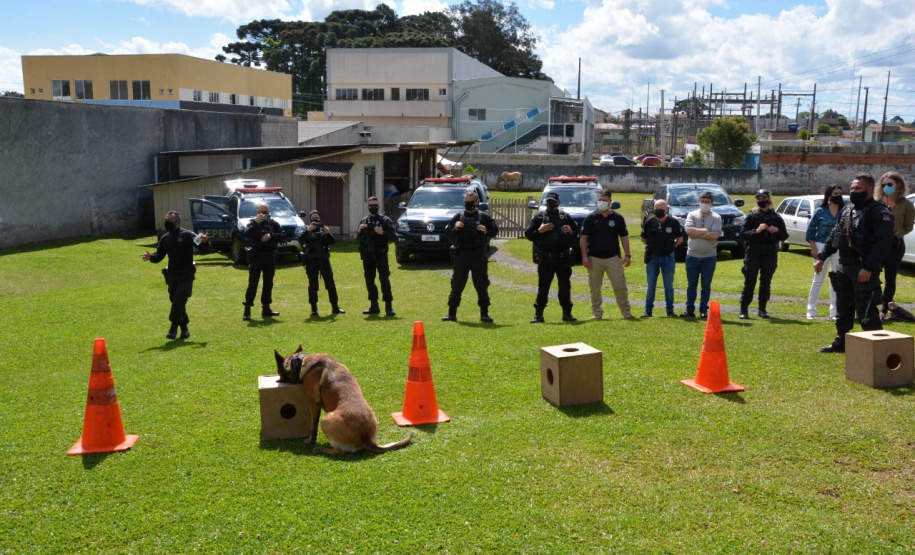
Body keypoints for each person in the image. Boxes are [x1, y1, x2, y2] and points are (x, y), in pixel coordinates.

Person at [816, 174, 895, 353]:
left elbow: (883, 244)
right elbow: (835, 235)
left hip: (864, 268)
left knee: (866, 311)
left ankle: (878, 348)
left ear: (869, 190)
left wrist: (868, 267)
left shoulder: (880, 212)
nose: (853, 192)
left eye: (857, 189)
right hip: (844, 267)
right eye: (851, 189)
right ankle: (841, 341)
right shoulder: (847, 210)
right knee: (843, 307)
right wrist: (822, 256)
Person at [141, 211, 210, 339]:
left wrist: (205, 242)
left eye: (169, 220)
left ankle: (173, 328)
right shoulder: (165, 238)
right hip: (172, 275)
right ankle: (184, 329)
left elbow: (204, 248)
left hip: (186, 275)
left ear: (177, 222)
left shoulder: (188, 235)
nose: (166, 222)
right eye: (165, 219)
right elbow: (159, 256)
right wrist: (150, 257)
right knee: (177, 302)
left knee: (178, 300)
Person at [442, 191, 498, 323]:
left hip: (478, 255)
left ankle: (484, 314)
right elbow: (448, 233)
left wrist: (486, 231)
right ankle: (451, 313)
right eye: (466, 202)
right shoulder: (458, 216)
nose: (468, 204)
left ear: (477, 202)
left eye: (470, 202)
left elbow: (495, 231)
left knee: (481, 285)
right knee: (456, 284)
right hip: (462, 255)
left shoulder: (484, 217)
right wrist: (455, 229)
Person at [579, 189, 634, 320]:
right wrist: (584, 256)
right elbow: (583, 238)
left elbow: (624, 237)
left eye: (604, 200)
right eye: (599, 200)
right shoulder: (591, 218)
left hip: (613, 258)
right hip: (594, 258)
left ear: (610, 201)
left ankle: (626, 312)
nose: (601, 202)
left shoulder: (617, 218)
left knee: (620, 285)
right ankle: (596, 313)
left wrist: (627, 255)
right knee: (595, 287)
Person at [525, 191, 579, 323]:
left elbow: (577, 233)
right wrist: (540, 231)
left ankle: (567, 313)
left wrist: (571, 232)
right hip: (546, 257)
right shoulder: (539, 217)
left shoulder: (565, 217)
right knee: (543, 286)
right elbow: (528, 234)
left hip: (563, 257)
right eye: (548, 201)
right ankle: (539, 314)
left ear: (558, 202)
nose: (551, 204)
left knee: (565, 286)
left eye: (553, 202)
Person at [738, 189, 788, 319]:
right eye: (759, 199)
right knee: (750, 281)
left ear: (769, 199)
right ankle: (744, 309)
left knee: (766, 281)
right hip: (754, 251)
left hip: (770, 252)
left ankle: (762, 309)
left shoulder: (776, 217)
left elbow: (785, 235)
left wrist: (777, 230)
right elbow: (742, 234)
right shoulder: (752, 216)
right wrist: (756, 231)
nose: (761, 201)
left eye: (763, 198)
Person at [875, 172, 914, 320]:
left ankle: (885, 309)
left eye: (890, 184)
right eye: (884, 184)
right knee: (873, 275)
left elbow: (909, 226)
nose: (886, 187)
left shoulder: (906, 204)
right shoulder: (877, 202)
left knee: (890, 278)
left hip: (896, 244)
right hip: (879, 244)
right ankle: (872, 305)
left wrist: (900, 232)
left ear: (898, 185)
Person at [805, 185, 844, 320]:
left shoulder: (843, 212)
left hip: (838, 248)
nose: (838, 195)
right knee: (818, 279)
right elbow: (810, 231)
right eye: (835, 193)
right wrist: (814, 247)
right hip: (822, 245)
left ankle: (834, 311)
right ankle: (811, 310)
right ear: (829, 196)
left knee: (836, 279)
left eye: (840, 193)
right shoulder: (820, 211)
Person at [640, 199, 683, 318]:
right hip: (653, 257)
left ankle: (670, 311)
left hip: (668, 257)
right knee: (651, 285)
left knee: (668, 285)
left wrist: (670, 247)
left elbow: (680, 239)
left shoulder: (674, 222)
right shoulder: (649, 222)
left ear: (667, 209)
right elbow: (643, 239)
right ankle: (648, 311)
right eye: (656, 209)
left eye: (661, 209)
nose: (658, 211)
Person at [682, 191, 722, 319]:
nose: (704, 204)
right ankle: (689, 309)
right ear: (699, 201)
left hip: (709, 257)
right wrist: (706, 231)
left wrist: (696, 232)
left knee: (706, 285)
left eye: (707, 202)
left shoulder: (716, 217)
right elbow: (689, 231)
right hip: (692, 256)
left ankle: (703, 309)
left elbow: (715, 235)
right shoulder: (692, 215)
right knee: (691, 285)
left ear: (712, 203)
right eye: (702, 201)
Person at [242, 203, 284, 321]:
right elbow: (246, 234)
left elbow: (283, 235)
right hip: (256, 257)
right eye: (262, 212)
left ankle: (266, 308)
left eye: (266, 211)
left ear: (269, 211)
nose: (264, 214)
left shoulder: (273, 223)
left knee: (268, 283)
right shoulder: (253, 223)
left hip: (270, 257)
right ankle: (247, 310)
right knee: (253, 284)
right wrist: (256, 223)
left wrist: (270, 235)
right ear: (257, 212)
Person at [298, 210, 344, 317]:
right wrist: (308, 231)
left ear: (320, 219)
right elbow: (300, 239)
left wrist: (328, 232)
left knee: (330, 284)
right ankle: (314, 308)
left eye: (317, 218)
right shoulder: (307, 230)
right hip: (311, 261)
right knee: (313, 285)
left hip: (324, 261)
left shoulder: (323, 231)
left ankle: (335, 307)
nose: (315, 220)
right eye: (313, 219)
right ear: (310, 220)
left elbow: (332, 242)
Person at [358, 196, 397, 316]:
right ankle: (374, 305)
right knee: (369, 280)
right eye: (371, 206)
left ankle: (388, 306)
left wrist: (382, 233)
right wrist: (359, 231)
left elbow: (394, 237)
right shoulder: (364, 221)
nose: (373, 208)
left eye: (375, 205)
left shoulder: (385, 220)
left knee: (384, 279)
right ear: (367, 207)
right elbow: (359, 239)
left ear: (379, 207)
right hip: (368, 255)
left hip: (381, 254)